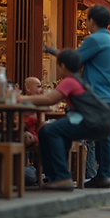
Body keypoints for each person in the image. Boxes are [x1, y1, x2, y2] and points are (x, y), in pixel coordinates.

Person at [44, 5, 110, 189]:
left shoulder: (95, 40)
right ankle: (104, 176)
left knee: (62, 129)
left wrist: (50, 50)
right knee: (106, 137)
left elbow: (74, 60)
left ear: (91, 21)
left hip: (94, 101)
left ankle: (60, 175)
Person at [19, 50, 90, 191]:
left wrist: (21, 98)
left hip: (86, 120)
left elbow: (50, 99)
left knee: (49, 131)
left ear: (62, 66)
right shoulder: (78, 80)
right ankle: (55, 177)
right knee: (50, 130)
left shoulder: (69, 81)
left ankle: (61, 177)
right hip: (89, 119)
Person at [22, 76, 43, 148]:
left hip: (34, 135)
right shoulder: (20, 103)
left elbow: (41, 122)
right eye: (38, 87)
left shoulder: (39, 104)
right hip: (21, 133)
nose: (40, 90)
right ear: (28, 88)